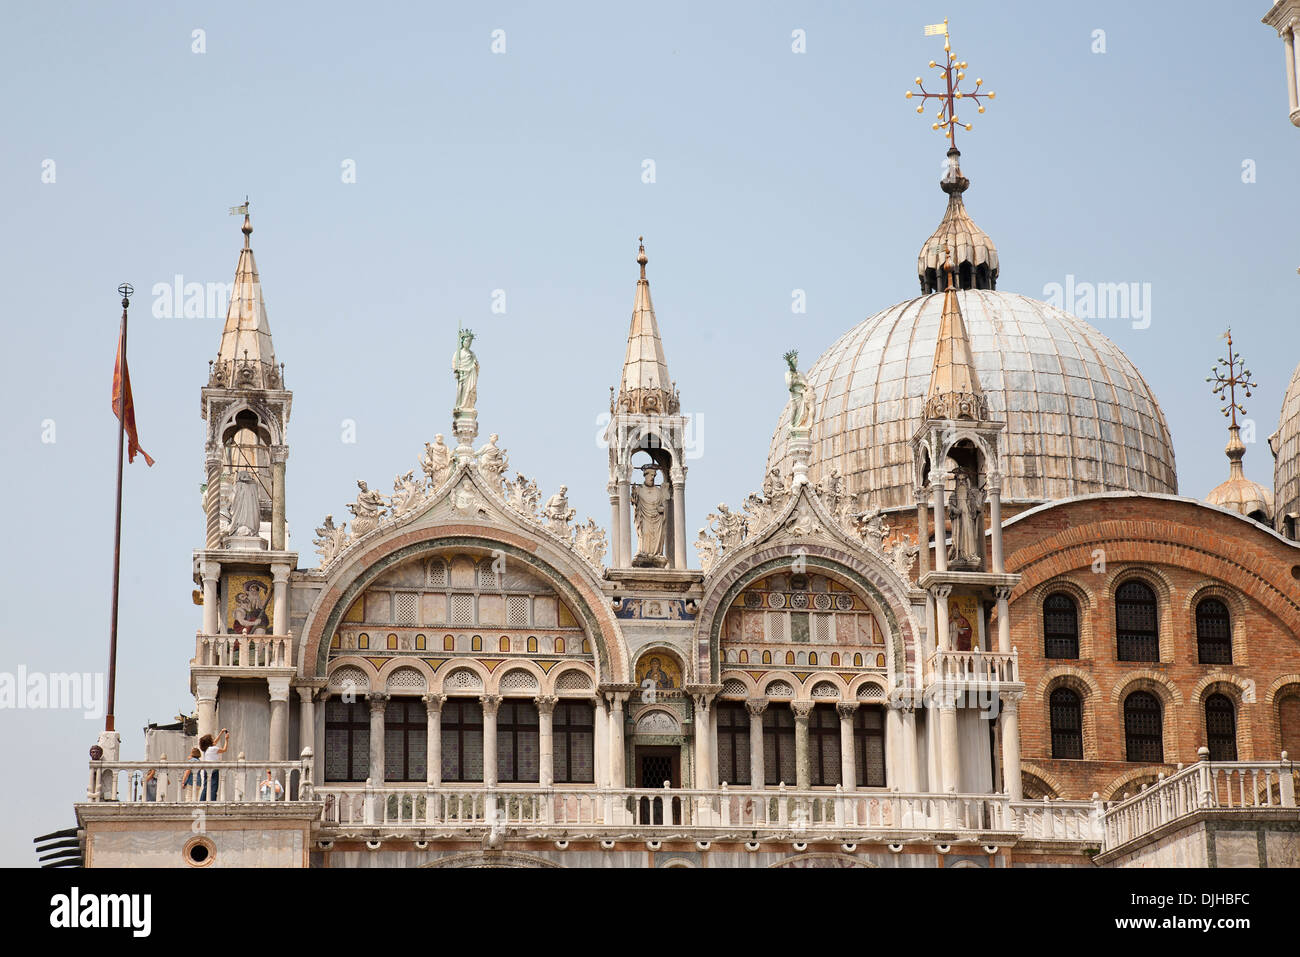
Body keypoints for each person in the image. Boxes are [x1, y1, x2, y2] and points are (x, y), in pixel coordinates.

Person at [199, 729, 230, 801]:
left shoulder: (206, 749)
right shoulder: (214, 749)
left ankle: (202, 800)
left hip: (206, 769)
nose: (214, 740)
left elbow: (215, 742)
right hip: (214, 769)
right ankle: (213, 801)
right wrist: (226, 739)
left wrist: (221, 732)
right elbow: (224, 749)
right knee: (214, 787)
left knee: (206, 787)